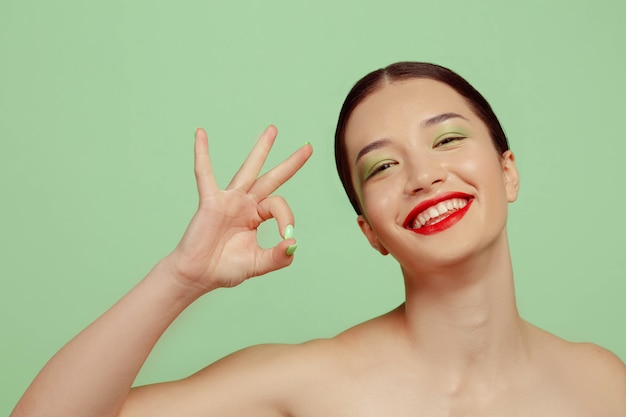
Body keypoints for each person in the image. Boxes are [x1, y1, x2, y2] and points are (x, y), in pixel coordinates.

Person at [11, 62, 626, 417]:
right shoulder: (311, 383)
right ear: (370, 231)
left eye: (446, 139)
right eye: (382, 167)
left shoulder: (603, 383)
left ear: (508, 170)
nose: (423, 176)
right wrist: (180, 277)